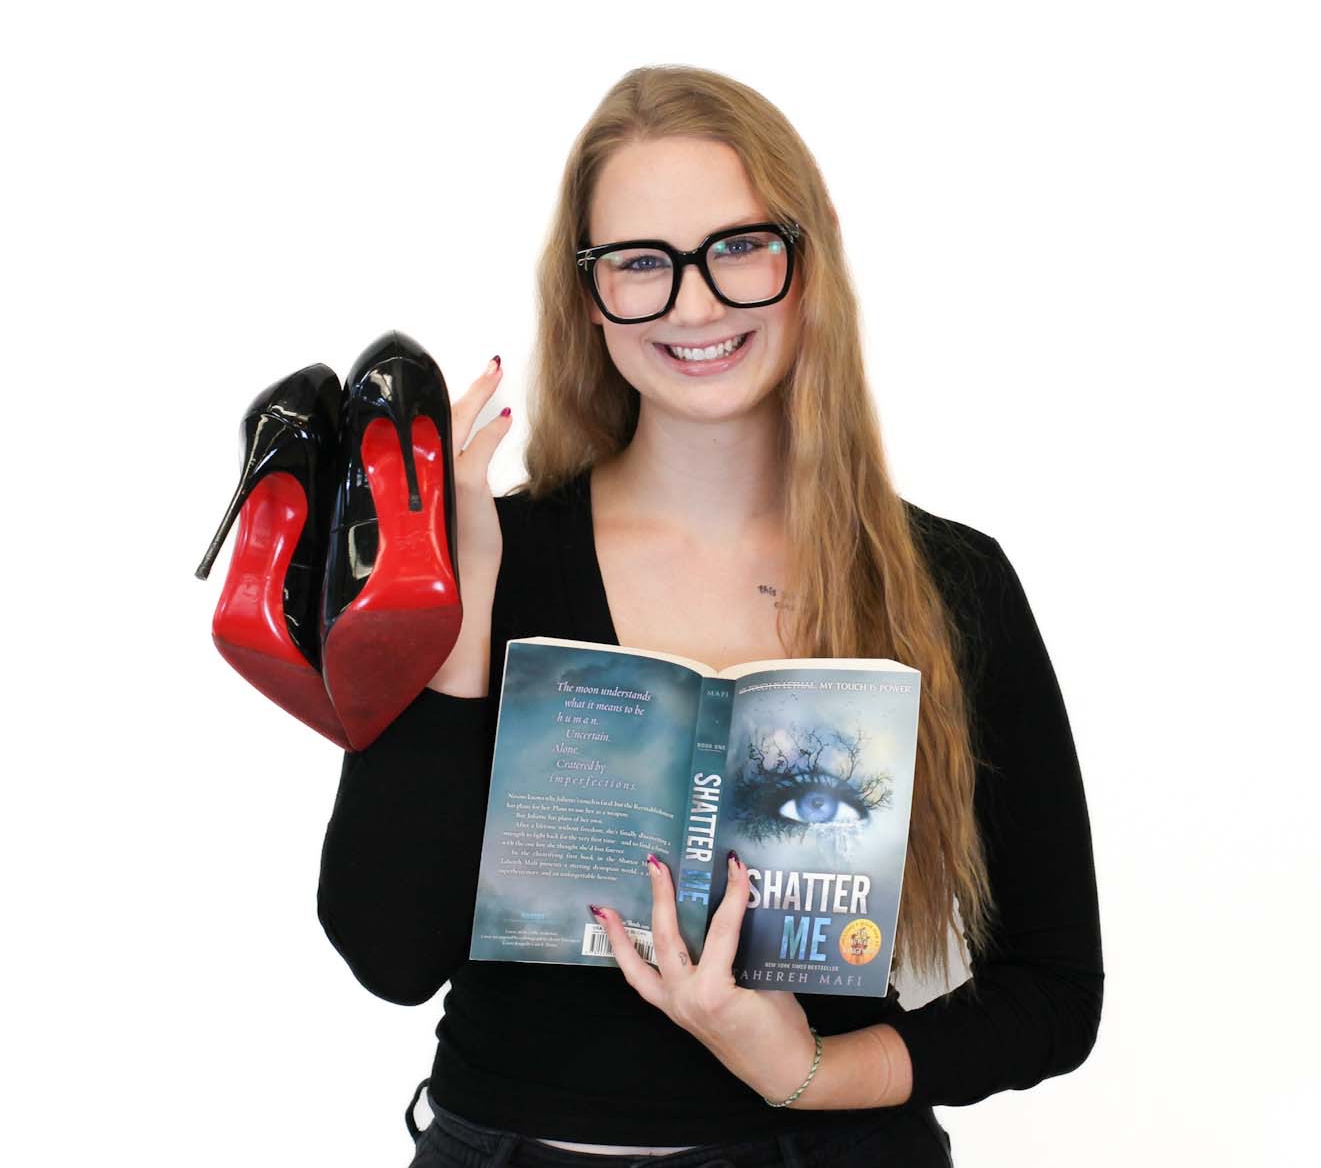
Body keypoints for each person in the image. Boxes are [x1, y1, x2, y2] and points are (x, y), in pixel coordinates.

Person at [316, 64, 1104, 1167]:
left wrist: (808, 1071)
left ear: (805, 258)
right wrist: (457, 608)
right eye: (641, 262)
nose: (693, 302)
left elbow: (1055, 993)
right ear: (589, 295)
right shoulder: (494, 555)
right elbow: (388, 954)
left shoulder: (950, 578)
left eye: (736, 247)